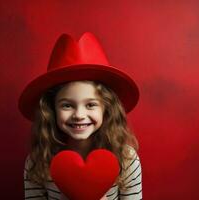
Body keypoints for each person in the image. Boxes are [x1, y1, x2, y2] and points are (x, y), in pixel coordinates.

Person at [19, 32, 142, 200]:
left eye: (90, 104)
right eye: (67, 105)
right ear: (51, 109)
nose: (79, 115)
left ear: (107, 109)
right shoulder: (37, 161)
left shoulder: (126, 159)